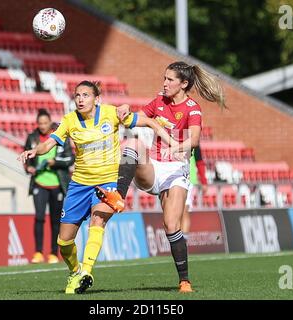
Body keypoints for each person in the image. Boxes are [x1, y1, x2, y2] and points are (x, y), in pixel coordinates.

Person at [18, 80, 178, 294]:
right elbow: (49, 143)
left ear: (96, 99)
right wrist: (34, 151)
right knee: (64, 242)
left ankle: (86, 272)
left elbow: (147, 121)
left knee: (98, 220)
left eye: (85, 95)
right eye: (77, 95)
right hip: (79, 185)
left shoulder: (110, 113)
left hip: (108, 182)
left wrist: (172, 142)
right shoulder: (69, 120)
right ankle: (75, 272)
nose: (81, 99)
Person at [96, 61, 226, 293]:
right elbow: (135, 119)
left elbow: (194, 140)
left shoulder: (192, 109)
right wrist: (124, 110)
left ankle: (184, 280)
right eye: (164, 78)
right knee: (133, 143)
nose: (164, 83)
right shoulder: (159, 101)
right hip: (154, 168)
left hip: (176, 171)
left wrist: (175, 149)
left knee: (170, 225)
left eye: (169, 80)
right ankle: (117, 195)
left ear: (183, 83)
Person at [23, 108, 74, 264]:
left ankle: (53, 253)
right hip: (39, 182)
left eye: (45, 123)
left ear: (50, 123)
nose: (43, 125)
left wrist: (55, 162)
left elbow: (70, 159)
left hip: (57, 184)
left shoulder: (59, 137)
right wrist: (28, 168)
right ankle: (38, 252)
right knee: (39, 217)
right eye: (40, 123)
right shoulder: (32, 137)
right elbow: (27, 156)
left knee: (55, 220)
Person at [182, 145, 209, 236]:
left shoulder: (193, 141)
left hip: (189, 179)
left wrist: (204, 181)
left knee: (184, 210)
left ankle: (182, 245)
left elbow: (199, 161)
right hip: (173, 178)